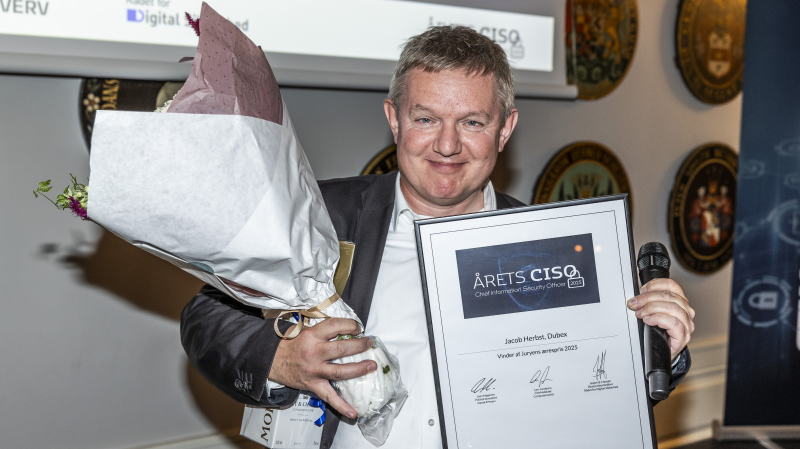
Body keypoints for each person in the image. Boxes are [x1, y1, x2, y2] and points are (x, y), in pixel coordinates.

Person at [180, 26, 694, 449]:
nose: (447, 145)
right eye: (425, 118)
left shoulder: (556, 246)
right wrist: (279, 358)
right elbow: (207, 316)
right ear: (394, 120)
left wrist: (657, 346)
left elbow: (590, 382)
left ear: (505, 128)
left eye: (472, 122)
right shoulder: (321, 213)